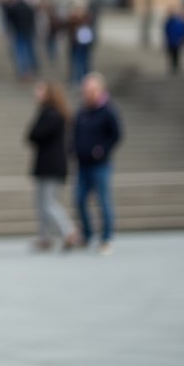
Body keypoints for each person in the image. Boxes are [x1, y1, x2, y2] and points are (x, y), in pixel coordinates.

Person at [74, 72, 123, 255]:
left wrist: (101, 149)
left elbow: (117, 135)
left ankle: (106, 238)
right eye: (85, 90)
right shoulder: (82, 111)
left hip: (100, 164)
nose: (87, 93)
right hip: (82, 163)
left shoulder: (108, 111)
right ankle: (87, 234)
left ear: (100, 90)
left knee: (103, 200)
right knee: (79, 199)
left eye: (91, 90)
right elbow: (76, 133)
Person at [25, 81, 78, 251]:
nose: (36, 94)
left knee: (48, 202)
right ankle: (45, 237)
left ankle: (68, 230)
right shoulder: (52, 113)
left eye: (39, 91)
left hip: (51, 165)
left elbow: (34, 135)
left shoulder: (52, 114)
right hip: (49, 165)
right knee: (42, 202)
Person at [2, 0, 38, 80]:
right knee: (29, 50)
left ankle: (24, 71)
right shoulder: (28, 7)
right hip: (28, 31)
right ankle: (32, 67)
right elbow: (32, 20)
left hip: (18, 32)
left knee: (21, 52)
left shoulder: (14, 7)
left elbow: (8, 19)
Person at [67, 6, 95, 84]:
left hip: (84, 45)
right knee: (76, 62)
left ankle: (85, 79)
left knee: (84, 62)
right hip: (75, 45)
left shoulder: (87, 20)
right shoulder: (72, 20)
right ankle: (77, 79)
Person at [163, 7, 184, 75]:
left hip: (177, 41)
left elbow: (182, 31)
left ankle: (177, 67)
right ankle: (173, 67)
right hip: (170, 42)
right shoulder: (168, 22)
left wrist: (182, 39)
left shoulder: (178, 22)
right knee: (171, 55)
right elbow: (166, 32)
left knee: (177, 55)